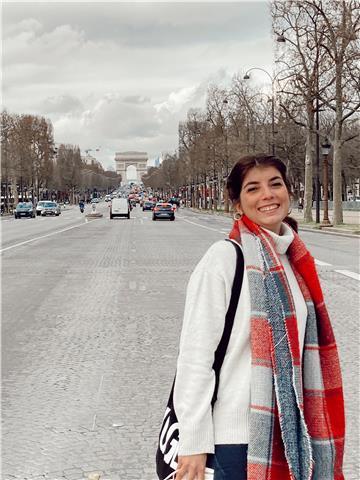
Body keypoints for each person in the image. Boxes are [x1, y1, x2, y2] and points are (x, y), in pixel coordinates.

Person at [173, 154, 345, 480]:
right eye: (253, 188)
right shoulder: (223, 259)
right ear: (237, 204)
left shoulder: (295, 261)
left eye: (275, 184)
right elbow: (195, 358)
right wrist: (193, 442)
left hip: (289, 436)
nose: (267, 195)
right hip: (234, 444)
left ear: (289, 192)